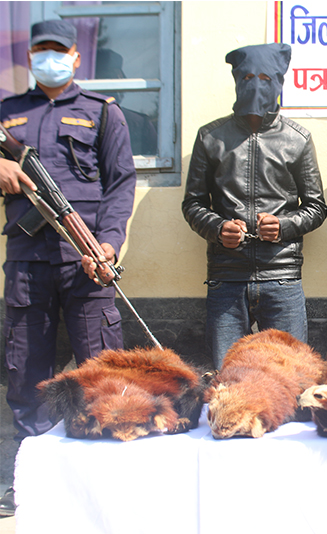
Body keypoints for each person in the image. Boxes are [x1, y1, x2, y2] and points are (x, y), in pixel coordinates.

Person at [0, 20, 137, 515]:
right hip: (27, 262)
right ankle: (29, 482)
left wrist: (109, 244)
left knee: (103, 372)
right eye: (40, 50)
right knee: (26, 373)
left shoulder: (102, 111)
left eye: (58, 51)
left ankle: (108, 480)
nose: (49, 58)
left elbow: (121, 184)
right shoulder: (7, 114)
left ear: (77, 58)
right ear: (29, 57)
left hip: (86, 261)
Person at [182, 43, 327, 369]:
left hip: (282, 277)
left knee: (293, 375)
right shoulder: (211, 137)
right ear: (237, 81)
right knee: (229, 377)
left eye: (266, 78)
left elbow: (316, 207)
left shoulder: (297, 139)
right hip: (226, 278)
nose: (257, 85)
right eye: (248, 77)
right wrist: (219, 229)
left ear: (279, 83)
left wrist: (284, 226)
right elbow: (193, 204)